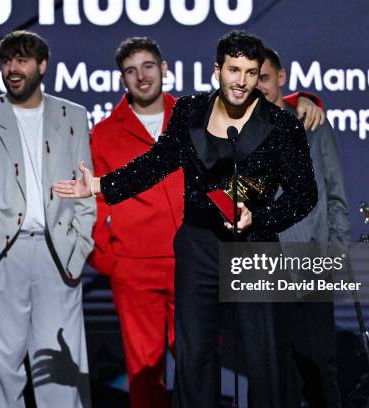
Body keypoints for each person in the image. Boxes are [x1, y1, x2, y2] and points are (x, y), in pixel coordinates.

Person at [55, 30, 317, 407]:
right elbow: (157, 163)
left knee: (264, 356)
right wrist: (100, 185)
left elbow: (305, 195)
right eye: (233, 70)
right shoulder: (190, 112)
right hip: (199, 246)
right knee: (194, 356)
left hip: (255, 246)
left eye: (250, 72)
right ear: (217, 70)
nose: (241, 81)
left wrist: (259, 217)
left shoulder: (281, 125)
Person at [0, 31, 94, 408]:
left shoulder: (72, 115)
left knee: (59, 368)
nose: (13, 68)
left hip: (57, 253)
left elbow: (85, 188)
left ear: (42, 65)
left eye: (22, 60)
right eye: (7, 61)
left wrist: (80, 246)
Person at [257, 47, 350, 407]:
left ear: (281, 78)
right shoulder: (240, 133)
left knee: (319, 370)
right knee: (275, 376)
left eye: (265, 78)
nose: (259, 87)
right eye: (252, 80)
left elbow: (337, 197)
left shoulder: (312, 123)